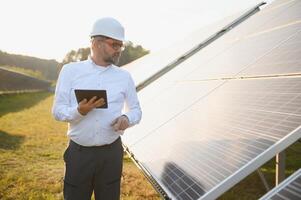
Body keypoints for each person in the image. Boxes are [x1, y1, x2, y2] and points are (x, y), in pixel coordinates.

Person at [52, 17, 142, 200]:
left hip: (112, 154)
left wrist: (126, 119)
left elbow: (136, 110)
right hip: (79, 155)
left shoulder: (124, 77)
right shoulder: (70, 71)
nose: (118, 50)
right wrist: (79, 111)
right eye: (114, 45)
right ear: (96, 42)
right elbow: (57, 111)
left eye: (120, 46)